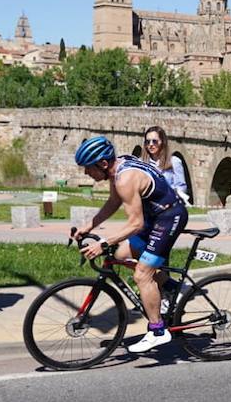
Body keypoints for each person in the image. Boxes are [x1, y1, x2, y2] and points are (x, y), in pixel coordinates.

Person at [73, 135, 188, 353]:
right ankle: (171, 287)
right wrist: (90, 225)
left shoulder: (125, 179)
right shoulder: (117, 169)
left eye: (88, 169)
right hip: (155, 218)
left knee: (142, 275)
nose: (86, 173)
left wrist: (103, 243)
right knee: (119, 256)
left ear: (103, 163)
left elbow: (135, 224)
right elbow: (114, 202)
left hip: (169, 217)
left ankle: (157, 331)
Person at [143, 125, 189, 204]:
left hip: (168, 206)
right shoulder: (140, 162)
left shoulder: (174, 162)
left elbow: (181, 186)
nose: (150, 144)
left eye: (154, 141)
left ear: (162, 142)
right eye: (148, 142)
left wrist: (172, 197)